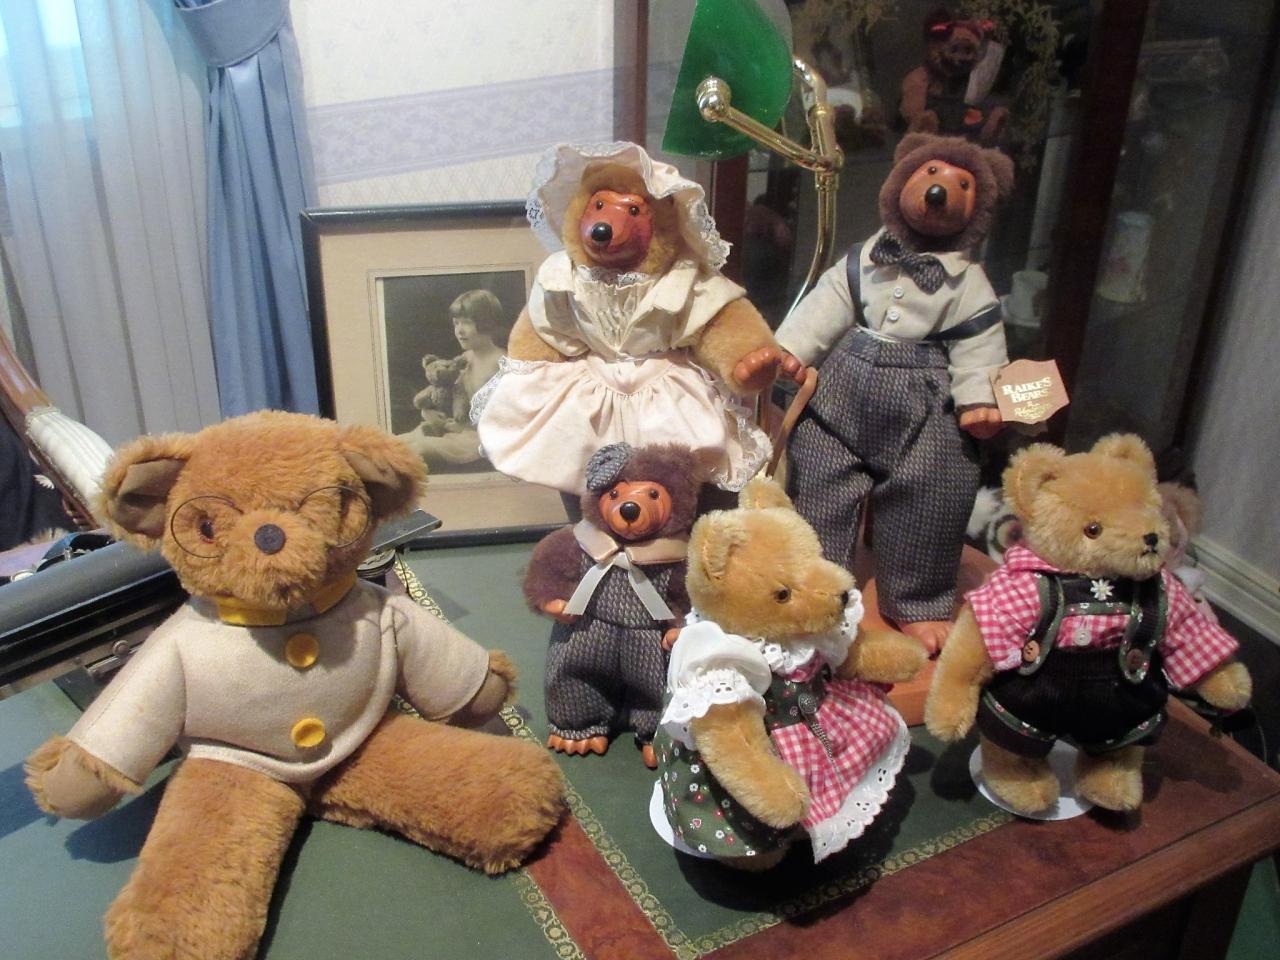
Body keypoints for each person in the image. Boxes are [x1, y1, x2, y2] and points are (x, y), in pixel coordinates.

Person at [399, 289, 507, 469]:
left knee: (418, 449)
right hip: (459, 431)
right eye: (456, 323)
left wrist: (465, 428)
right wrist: (433, 414)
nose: (460, 330)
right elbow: (456, 399)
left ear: (486, 322)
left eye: (467, 322)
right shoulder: (466, 358)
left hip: (484, 440)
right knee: (399, 442)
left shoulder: (501, 363)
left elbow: (507, 419)